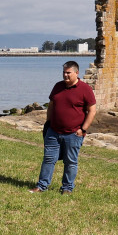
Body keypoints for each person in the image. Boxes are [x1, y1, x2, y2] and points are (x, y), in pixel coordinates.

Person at [29, 60, 97, 194]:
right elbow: (52, 105)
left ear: (76, 73)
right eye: (64, 72)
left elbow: (92, 111)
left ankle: (67, 188)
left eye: (68, 73)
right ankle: (41, 186)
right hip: (53, 131)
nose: (65, 75)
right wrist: (48, 123)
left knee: (70, 162)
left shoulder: (85, 89)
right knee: (48, 159)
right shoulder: (58, 86)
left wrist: (83, 129)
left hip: (73, 134)